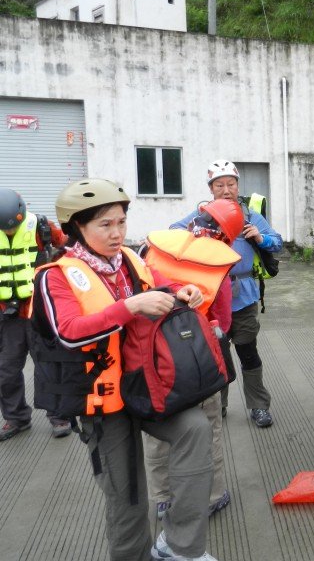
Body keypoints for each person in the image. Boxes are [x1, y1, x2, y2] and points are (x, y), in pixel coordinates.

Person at [30, 178, 216, 561]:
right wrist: (130, 307)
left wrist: (183, 290)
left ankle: (180, 545)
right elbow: (68, 332)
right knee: (128, 494)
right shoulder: (55, 276)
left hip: (145, 385)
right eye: (105, 225)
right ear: (77, 227)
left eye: (121, 222)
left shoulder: (131, 259)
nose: (117, 233)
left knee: (196, 429)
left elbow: (162, 285)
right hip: (102, 403)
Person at [143, 198, 244, 520]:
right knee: (208, 428)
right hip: (198, 359)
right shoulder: (218, 265)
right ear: (228, 236)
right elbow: (223, 321)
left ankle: (163, 497)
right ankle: (212, 495)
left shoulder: (158, 248)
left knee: (158, 430)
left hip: (155, 357)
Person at [172, 160, 283, 427]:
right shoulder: (202, 215)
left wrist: (261, 238)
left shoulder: (250, 216)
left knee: (248, 352)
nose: (226, 190)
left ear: (238, 186)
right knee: (215, 355)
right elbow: (174, 232)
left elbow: (277, 242)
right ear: (211, 189)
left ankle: (258, 406)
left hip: (244, 298)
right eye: (219, 185)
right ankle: (217, 405)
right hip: (210, 299)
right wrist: (196, 229)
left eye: (231, 184)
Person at [0, 187, 72, 441]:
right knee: (6, 370)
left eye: (12, 228)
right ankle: (16, 417)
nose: (9, 232)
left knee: (48, 365)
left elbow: (69, 247)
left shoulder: (41, 227)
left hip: (40, 310)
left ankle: (59, 416)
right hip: (8, 315)